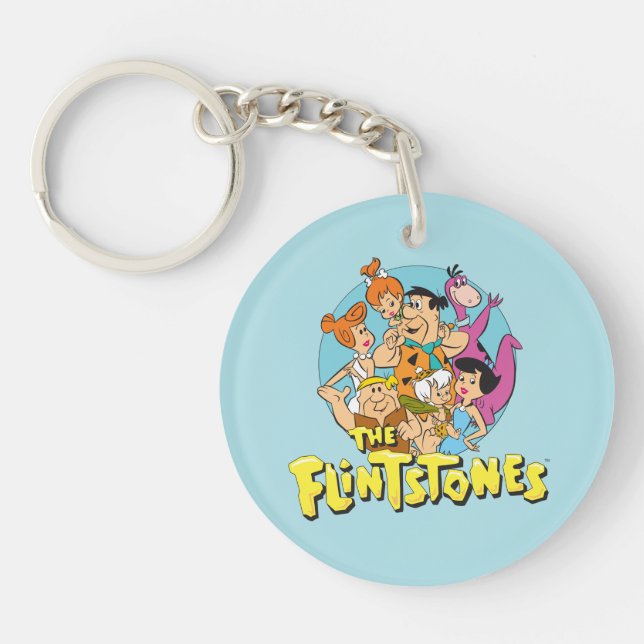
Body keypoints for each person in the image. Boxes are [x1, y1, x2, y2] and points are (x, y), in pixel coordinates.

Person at [373, 286, 469, 400]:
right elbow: (377, 359)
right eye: (411, 304)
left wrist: (444, 337)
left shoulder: (438, 345)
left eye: (417, 305)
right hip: (412, 407)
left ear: (435, 316)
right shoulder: (402, 348)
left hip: (448, 403)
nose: (408, 317)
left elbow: (463, 340)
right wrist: (390, 346)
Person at [317, 375, 421, 453]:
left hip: (403, 458)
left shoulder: (402, 413)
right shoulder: (364, 422)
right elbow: (348, 422)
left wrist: (412, 431)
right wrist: (337, 403)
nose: (377, 397)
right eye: (372, 392)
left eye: (380, 390)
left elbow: (415, 426)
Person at [321, 302, 375, 413]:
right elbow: (340, 374)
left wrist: (356, 374)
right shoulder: (354, 363)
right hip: (359, 400)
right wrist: (326, 386)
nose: (366, 334)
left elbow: (370, 385)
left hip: (371, 399)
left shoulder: (369, 362)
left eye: (365, 329)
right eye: (360, 332)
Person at [441, 357, 501, 453]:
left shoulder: (473, 410)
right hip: (449, 439)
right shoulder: (457, 405)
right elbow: (447, 418)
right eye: (461, 378)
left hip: (459, 442)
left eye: (472, 381)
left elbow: (483, 430)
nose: (464, 383)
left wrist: (467, 440)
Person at [399, 368, 461, 453]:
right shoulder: (434, 409)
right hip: (431, 435)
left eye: (446, 392)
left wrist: (454, 407)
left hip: (433, 434)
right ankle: (455, 434)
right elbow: (443, 418)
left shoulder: (439, 407)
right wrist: (452, 409)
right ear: (427, 398)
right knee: (447, 426)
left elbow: (447, 410)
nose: (444, 396)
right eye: (439, 394)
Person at [360, 257, 405, 328]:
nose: (388, 310)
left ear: (399, 297)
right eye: (383, 310)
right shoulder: (394, 317)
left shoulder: (405, 309)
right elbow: (390, 323)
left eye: (391, 304)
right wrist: (397, 321)